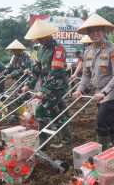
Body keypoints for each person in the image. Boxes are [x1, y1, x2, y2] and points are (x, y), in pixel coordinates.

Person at [73, 13, 114, 150]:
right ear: (88, 34)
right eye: (91, 31)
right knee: (109, 121)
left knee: (100, 122)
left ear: (103, 31)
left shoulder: (113, 50)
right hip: (98, 92)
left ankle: (100, 153)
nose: (95, 33)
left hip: (112, 92)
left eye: (98, 30)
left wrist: (104, 92)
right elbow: (86, 74)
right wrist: (79, 89)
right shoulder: (88, 52)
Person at [22, 18, 72, 148]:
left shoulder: (58, 49)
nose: (39, 39)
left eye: (42, 37)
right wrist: (29, 84)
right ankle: (66, 139)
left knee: (40, 110)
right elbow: (37, 69)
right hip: (47, 85)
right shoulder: (40, 49)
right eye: (37, 37)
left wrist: (43, 89)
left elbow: (55, 71)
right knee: (58, 111)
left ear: (49, 35)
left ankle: (42, 142)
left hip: (57, 85)